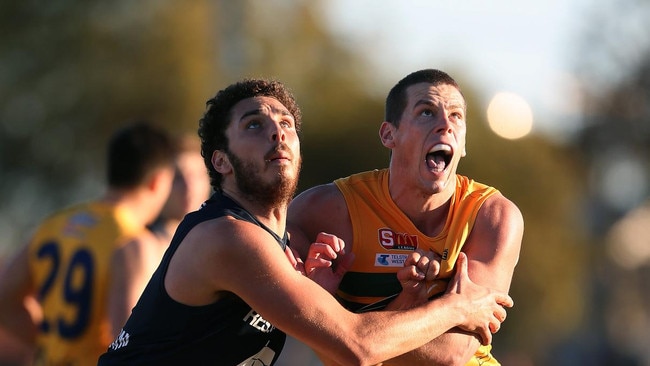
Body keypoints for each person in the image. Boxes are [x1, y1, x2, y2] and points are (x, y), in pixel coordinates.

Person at [98, 78, 513, 366]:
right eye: (255, 125)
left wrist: (382, 301)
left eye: (286, 124)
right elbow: (358, 345)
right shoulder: (229, 237)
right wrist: (460, 305)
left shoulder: (280, 246)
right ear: (220, 161)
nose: (277, 134)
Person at [288, 69, 524, 365]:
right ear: (389, 134)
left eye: (456, 116)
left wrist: (333, 320)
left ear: (463, 145)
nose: (445, 126)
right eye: (427, 112)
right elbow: (284, 318)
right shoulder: (324, 210)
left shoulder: (492, 215)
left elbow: (451, 353)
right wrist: (456, 307)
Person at [0, 122, 176, 365]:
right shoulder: (134, 242)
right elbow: (129, 341)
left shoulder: (55, 224)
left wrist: (51, 343)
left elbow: (5, 297)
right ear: (158, 181)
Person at [108, 135, 212, 334]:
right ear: (159, 181)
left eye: (198, 175)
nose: (190, 187)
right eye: (178, 178)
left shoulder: (216, 245)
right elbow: (124, 341)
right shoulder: (140, 248)